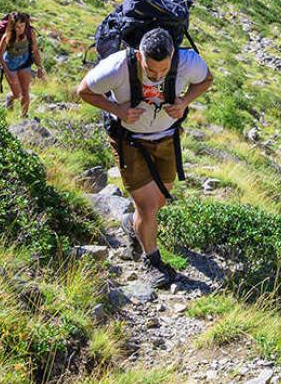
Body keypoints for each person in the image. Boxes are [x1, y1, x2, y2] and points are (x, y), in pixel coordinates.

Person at [76, 27, 211, 287]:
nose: (157, 76)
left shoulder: (187, 62)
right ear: (139, 56)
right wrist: (117, 110)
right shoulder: (117, 66)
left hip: (167, 138)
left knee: (158, 200)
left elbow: (206, 80)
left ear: (173, 56)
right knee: (148, 207)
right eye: (151, 70)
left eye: (163, 70)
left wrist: (184, 102)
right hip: (130, 142)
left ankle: (131, 223)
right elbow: (83, 90)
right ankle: (152, 261)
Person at [0, 11, 44, 117]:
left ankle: (23, 116)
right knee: (17, 94)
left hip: (25, 62)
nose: (20, 29)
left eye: (22, 25)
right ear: (12, 27)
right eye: (17, 27)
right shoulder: (6, 37)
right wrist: (7, 72)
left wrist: (39, 67)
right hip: (10, 64)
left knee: (25, 92)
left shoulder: (30, 32)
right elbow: (0, 57)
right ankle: (10, 98)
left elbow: (35, 50)